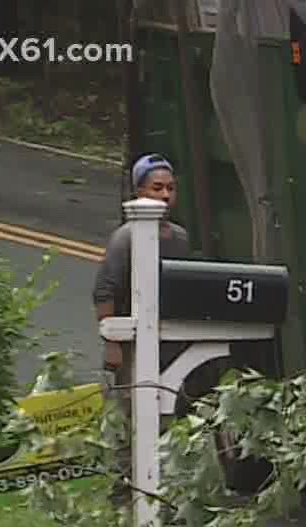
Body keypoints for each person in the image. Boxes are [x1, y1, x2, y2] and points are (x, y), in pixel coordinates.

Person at [92, 154, 191, 487]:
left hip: (169, 339)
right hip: (132, 343)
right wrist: (113, 345)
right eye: (157, 188)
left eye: (170, 189)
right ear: (139, 192)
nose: (164, 196)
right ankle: (124, 484)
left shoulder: (179, 238)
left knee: (167, 406)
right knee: (129, 410)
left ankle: (164, 480)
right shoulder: (125, 238)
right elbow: (104, 291)